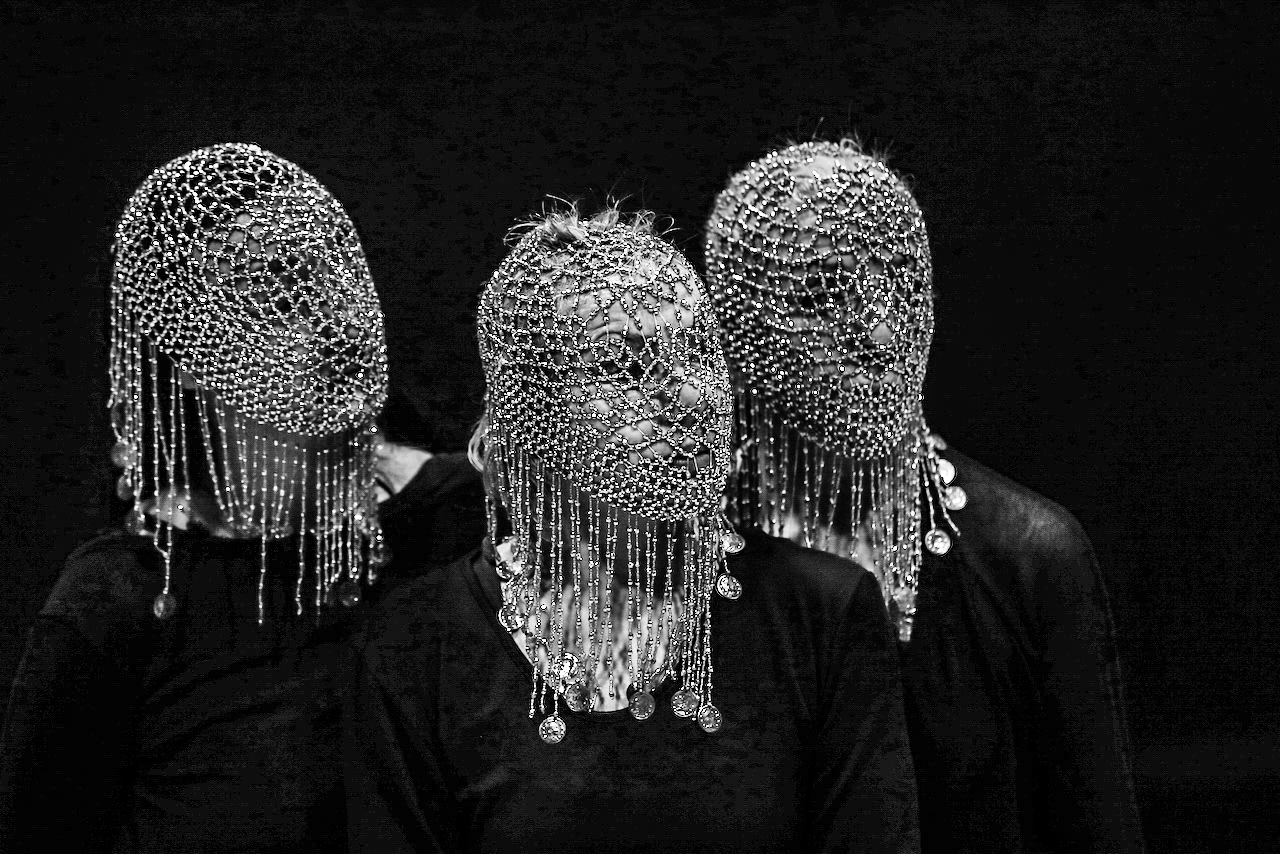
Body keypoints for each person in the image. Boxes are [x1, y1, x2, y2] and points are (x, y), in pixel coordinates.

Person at [343, 202, 922, 853]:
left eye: (695, 353)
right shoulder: (416, 647)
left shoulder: (822, 612)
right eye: (625, 368)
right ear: (534, 418)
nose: (686, 396)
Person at [0, 143, 481, 852]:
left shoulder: (463, 519)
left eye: (325, 279)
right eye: (276, 290)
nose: (327, 320)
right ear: (188, 354)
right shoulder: (126, 600)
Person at [703, 139, 1146, 853]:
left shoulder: (1026, 557)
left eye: (902, 286)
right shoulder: (675, 555)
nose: (880, 333)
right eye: (821, 297)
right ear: (737, 323)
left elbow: (1098, 832)